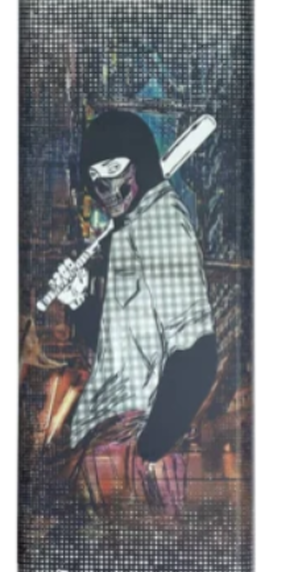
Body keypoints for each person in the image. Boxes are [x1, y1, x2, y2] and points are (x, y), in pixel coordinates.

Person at [49, 110, 218, 514]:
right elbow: (123, 346)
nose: (105, 185)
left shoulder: (161, 222)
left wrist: (149, 449)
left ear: (138, 162)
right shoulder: (128, 229)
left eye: (114, 169)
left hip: (131, 447)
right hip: (104, 440)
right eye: (96, 175)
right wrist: (80, 301)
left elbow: (196, 350)